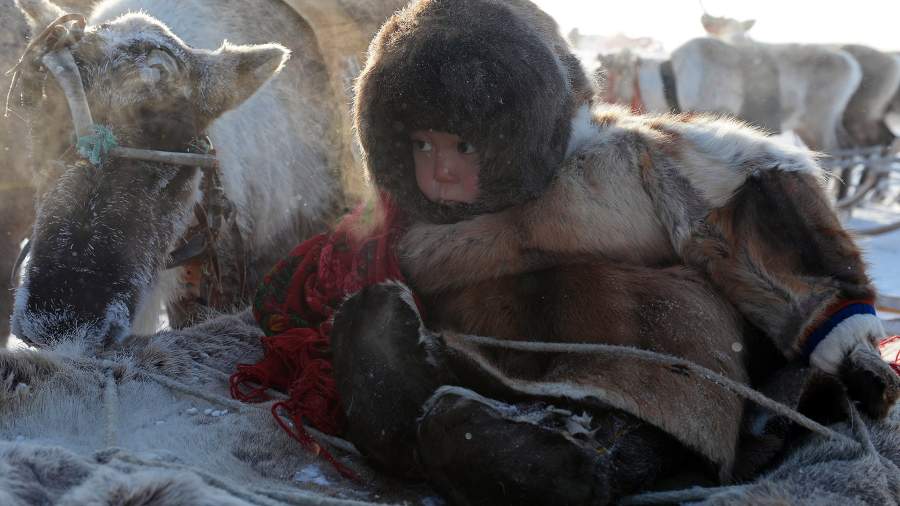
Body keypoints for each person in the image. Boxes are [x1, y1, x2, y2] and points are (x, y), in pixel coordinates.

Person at [233, 0, 899, 503]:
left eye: (463, 147)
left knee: (657, 354)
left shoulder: (624, 160)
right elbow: (316, 271)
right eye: (422, 145)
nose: (438, 173)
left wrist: (833, 323)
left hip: (647, 350)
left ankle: (585, 455)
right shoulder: (404, 217)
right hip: (499, 358)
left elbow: (753, 190)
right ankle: (422, 411)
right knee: (404, 328)